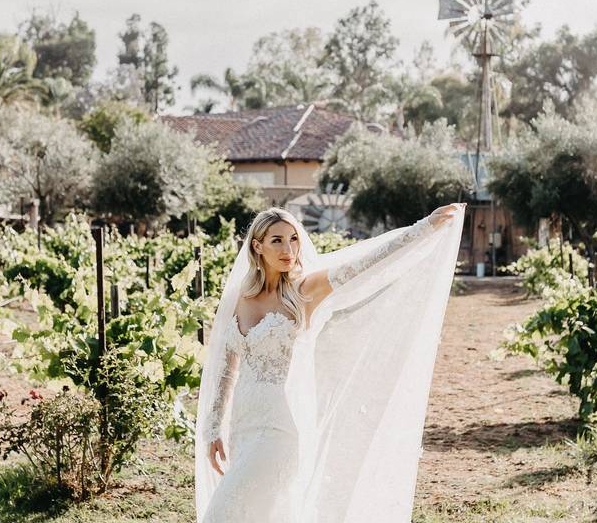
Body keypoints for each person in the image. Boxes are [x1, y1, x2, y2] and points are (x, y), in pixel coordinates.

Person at [195, 203, 466, 522]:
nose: (289, 249)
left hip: (280, 426)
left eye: (293, 239)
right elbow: (228, 369)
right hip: (243, 424)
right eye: (277, 241)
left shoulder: (303, 290)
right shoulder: (240, 297)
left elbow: (366, 263)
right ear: (258, 246)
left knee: (225, 510)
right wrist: (213, 428)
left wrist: (423, 228)